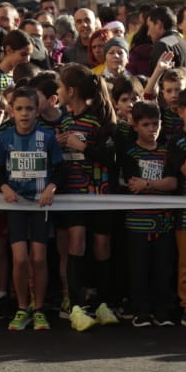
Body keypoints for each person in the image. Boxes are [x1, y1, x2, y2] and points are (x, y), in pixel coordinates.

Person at [0, 85, 62, 331]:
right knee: (20, 260)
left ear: (37, 111)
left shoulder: (48, 137)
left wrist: (52, 186)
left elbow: (60, 169)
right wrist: (4, 188)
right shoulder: (4, 137)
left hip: (40, 207)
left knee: (39, 258)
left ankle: (39, 309)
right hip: (17, 205)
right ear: (11, 110)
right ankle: (23, 308)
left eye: (29, 109)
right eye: (19, 109)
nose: (24, 114)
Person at [53, 64, 119, 330]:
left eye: (60, 86)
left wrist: (83, 147)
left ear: (71, 90)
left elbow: (111, 158)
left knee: (102, 246)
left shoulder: (98, 121)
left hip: (99, 195)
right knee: (76, 244)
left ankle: (103, 303)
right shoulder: (64, 122)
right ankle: (77, 306)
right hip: (73, 195)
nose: (58, 91)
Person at [119, 101, 178, 327]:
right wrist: (154, 184)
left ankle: (162, 311)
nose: (152, 129)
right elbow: (134, 184)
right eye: (146, 125)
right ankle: (141, 311)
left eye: (156, 124)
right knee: (139, 270)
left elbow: (173, 182)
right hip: (137, 223)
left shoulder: (166, 150)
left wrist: (148, 184)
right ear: (135, 126)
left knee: (162, 270)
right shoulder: (130, 151)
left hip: (163, 223)